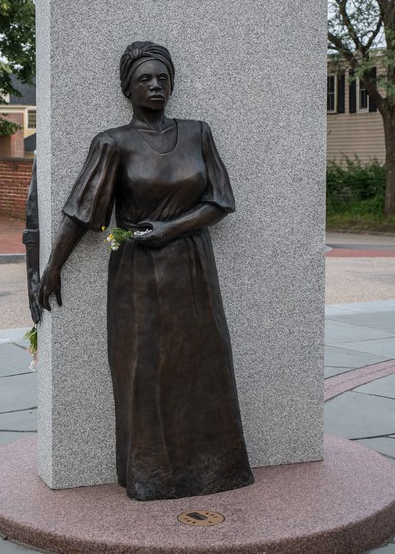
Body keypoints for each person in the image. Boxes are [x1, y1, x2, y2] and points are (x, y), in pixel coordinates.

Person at [39, 41, 254, 501]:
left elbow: (220, 201)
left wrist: (172, 228)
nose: (156, 86)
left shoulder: (198, 133)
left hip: (194, 269)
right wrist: (51, 267)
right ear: (128, 89)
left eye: (162, 78)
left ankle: (218, 470)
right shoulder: (113, 143)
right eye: (145, 80)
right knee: (145, 372)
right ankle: (151, 475)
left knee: (205, 367)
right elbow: (81, 213)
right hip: (138, 275)